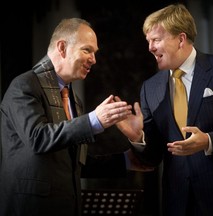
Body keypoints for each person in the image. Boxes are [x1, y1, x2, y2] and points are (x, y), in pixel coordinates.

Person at [116, 3, 213, 216]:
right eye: (148, 41)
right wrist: (137, 137)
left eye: (156, 40)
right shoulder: (150, 87)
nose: (150, 47)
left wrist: (208, 141)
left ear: (180, 39)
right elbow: (153, 157)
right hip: (178, 202)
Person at [0, 18, 132, 216]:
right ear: (62, 48)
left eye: (95, 53)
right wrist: (93, 120)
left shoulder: (73, 99)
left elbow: (71, 164)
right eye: (87, 50)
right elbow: (38, 138)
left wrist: (126, 161)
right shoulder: (23, 86)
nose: (94, 60)